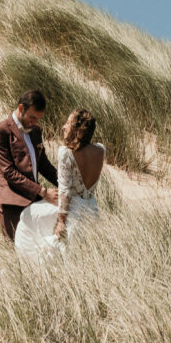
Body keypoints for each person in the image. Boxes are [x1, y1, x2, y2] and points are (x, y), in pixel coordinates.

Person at [15, 109, 105, 262]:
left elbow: (65, 192)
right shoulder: (100, 150)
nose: (64, 127)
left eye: (68, 123)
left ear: (76, 129)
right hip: (91, 209)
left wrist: (61, 222)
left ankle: (28, 263)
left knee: (27, 216)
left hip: (73, 211)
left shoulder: (66, 153)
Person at [0, 89, 60, 240]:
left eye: (38, 119)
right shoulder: (0, 131)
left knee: (36, 245)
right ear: (21, 108)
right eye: (32, 117)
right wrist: (42, 191)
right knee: (16, 247)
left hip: (33, 200)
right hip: (12, 202)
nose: (35, 122)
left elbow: (43, 164)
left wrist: (65, 184)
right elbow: (8, 172)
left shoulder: (36, 130)